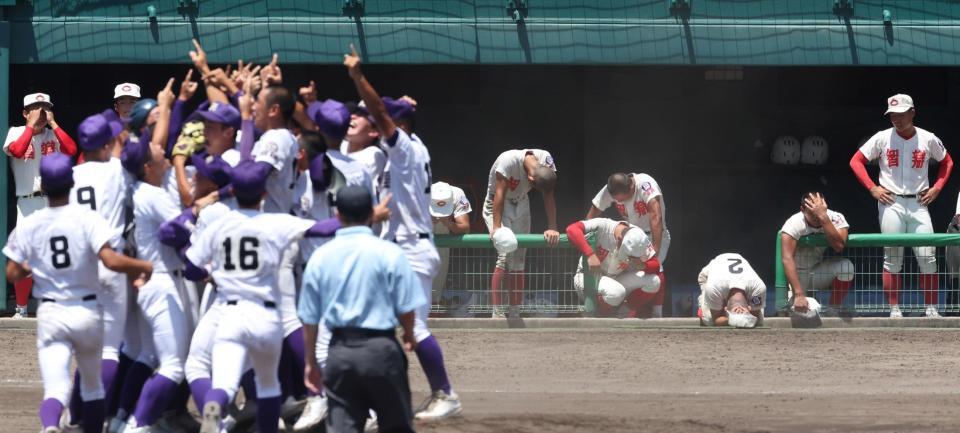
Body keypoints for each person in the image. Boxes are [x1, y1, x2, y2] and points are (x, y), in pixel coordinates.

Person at [344, 44, 462, 420]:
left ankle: (445, 393)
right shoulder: (403, 149)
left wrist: (358, 76)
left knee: (415, 328)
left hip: (410, 250)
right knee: (377, 326)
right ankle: (381, 402)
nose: (376, 124)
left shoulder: (405, 148)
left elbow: (381, 113)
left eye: (383, 121)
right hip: (402, 248)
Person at [3, 153, 152, 433]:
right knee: (93, 388)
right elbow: (111, 261)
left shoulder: (31, 223)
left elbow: (12, 273)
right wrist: (143, 266)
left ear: (43, 186)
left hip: (51, 313)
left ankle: (50, 426)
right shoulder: (87, 218)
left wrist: (33, 265)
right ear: (71, 183)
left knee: (55, 388)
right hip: (86, 311)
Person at [187, 160, 338, 433]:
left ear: (233, 191)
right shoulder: (275, 222)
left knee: (219, 382)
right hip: (266, 315)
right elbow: (323, 229)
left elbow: (191, 269)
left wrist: (211, 271)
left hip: (230, 313)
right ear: (264, 193)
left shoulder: (218, 224)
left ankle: (214, 415)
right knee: (268, 385)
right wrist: (362, 214)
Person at [299, 185, 424, 433]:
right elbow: (406, 306)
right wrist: (409, 334)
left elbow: (309, 318)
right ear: (371, 213)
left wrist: (311, 361)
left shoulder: (321, 256)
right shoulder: (389, 252)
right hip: (381, 350)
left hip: (340, 351)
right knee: (396, 426)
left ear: (337, 214)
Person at [849, 93, 953, 318]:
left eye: (901, 114)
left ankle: (931, 308)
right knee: (892, 257)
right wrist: (872, 188)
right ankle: (894, 309)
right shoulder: (882, 137)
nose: (897, 119)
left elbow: (947, 161)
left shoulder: (927, 138)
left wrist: (937, 187)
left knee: (927, 257)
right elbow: (856, 161)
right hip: (891, 202)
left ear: (912, 112)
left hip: (919, 202)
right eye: (893, 115)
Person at [3, 92, 78, 318]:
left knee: (56, 254)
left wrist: (53, 123)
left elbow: (72, 151)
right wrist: (30, 126)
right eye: (36, 108)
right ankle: (22, 308)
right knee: (24, 256)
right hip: (26, 202)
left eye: (45, 108)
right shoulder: (16, 132)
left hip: (51, 201)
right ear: (25, 113)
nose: (42, 112)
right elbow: (17, 151)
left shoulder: (53, 133)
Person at [483, 147, 559, 319]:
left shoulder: (545, 158)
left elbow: (549, 194)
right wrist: (496, 228)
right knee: (505, 255)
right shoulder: (508, 160)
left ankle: (515, 311)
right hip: (498, 203)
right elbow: (499, 194)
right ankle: (497, 312)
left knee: (519, 259)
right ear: (530, 179)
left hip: (521, 202)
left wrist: (553, 226)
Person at [586, 172, 669, 317]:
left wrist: (655, 248)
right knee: (627, 276)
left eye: (623, 198)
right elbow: (592, 213)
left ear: (631, 186)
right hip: (629, 237)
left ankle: (657, 314)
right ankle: (624, 310)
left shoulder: (645, 184)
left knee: (656, 270)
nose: (620, 201)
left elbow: (656, 216)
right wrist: (589, 244)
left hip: (653, 234)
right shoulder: (611, 189)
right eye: (617, 200)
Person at [566, 218, 662, 317]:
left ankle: (623, 313)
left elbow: (656, 265)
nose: (631, 258)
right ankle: (599, 316)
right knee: (616, 292)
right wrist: (590, 254)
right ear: (619, 240)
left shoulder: (639, 237)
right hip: (587, 278)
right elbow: (571, 229)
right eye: (629, 255)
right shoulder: (603, 225)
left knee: (654, 281)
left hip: (616, 279)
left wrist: (643, 265)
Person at [780, 192, 854, 312]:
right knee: (806, 312)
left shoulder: (835, 217)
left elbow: (839, 246)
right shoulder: (794, 222)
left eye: (819, 211)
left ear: (825, 206)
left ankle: (833, 309)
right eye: (812, 213)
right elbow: (787, 258)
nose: (816, 217)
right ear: (802, 210)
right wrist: (799, 295)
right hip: (797, 277)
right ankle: (790, 303)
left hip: (817, 272)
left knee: (846, 267)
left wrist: (823, 217)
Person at [697, 253, 766, 328]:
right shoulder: (713, 289)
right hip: (708, 273)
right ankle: (703, 304)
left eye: (737, 313)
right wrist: (732, 319)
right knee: (709, 319)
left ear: (749, 308)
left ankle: (713, 304)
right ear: (725, 309)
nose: (739, 312)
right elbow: (715, 319)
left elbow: (755, 314)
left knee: (758, 322)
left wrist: (748, 317)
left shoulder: (758, 290)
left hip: (725, 280)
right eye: (741, 313)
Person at [430, 181, 472, 299]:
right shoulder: (419, 194)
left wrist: (448, 224)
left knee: (436, 287)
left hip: (443, 236)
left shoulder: (458, 194)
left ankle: (435, 302)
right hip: (418, 241)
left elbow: (465, 227)